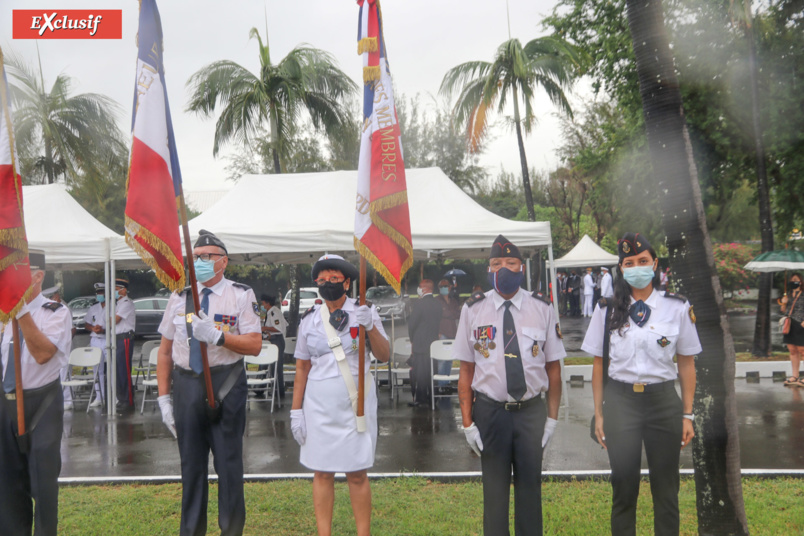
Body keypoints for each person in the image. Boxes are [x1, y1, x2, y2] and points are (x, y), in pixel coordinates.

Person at [582, 232, 700, 536]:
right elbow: (598, 364)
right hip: (621, 404)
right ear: (622, 268)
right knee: (623, 490)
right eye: (630, 262)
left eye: (643, 261)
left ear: (655, 263)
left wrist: (687, 414)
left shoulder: (676, 307)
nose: (637, 267)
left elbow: (686, 363)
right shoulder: (606, 309)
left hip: (664, 405)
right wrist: (599, 412)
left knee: (666, 492)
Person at [454, 235, 565, 536]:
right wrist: (468, 423)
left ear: (521, 267)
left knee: (531, 493)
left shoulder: (541, 307)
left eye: (511, 262)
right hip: (490, 413)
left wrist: (552, 420)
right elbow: (466, 369)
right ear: (489, 269)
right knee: (494, 496)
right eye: (496, 263)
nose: (503, 268)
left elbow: (553, 369)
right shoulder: (473, 310)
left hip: (531, 413)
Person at [156, 230, 262, 536]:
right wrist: (164, 399)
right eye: (196, 257)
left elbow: (255, 344)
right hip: (187, 385)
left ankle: (231, 531)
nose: (200, 261)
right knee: (191, 466)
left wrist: (219, 336)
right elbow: (165, 351)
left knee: (229, 466)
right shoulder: (179, 298)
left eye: (208, 256)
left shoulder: (241, 295)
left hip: (225, 383)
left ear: (224, 261)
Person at [290, 254, 389, 536]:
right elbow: (301, 368)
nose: (328, 283)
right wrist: (296, 411)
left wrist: (369, 326)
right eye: (322, 280)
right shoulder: (310, 320)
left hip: (354, 405)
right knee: (322, 472)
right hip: (319, 407)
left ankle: (363, 533)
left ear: (347, 282)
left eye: (334, 278)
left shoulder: (364, 311)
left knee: (356, 473)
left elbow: (384, 355)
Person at [0, 251, 72, 536]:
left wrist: (21, 312)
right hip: (6, 404)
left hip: (41, 403)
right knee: (6, 485)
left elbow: (43, 354)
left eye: (14, 273)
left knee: (43, 484)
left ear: (38, 276)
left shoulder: (55, 313)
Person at [407, 279, 443, 406]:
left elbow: (412, 324)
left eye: (420, 287)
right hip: (433, 342)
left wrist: (412, 339)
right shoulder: (438, 304)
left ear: (426, 288)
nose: (418, 289)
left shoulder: (419, 304)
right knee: (432, 371)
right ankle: (433, 397)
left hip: (420, 342)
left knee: (421, 373)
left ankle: (421, 399)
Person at [44, 285, 75, 410]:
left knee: (64, 372)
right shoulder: (49, 307)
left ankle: (67, 400)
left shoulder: (63, 308)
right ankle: (57, 400)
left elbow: (72, 329)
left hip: (63, 346)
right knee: (54, 373)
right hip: (51, 346)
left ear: (56, 297)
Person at [84, 283, 108, 408]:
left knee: (111, 369)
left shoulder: (113, 307)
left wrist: (103, 330)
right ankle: (99, 397)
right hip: (95, 340)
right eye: (98, 293)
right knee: (97, 370)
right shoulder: (93, 308)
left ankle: (113, 396)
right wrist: (93, 328)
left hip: (107, 340)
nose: (99, 295)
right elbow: (86, 324)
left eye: (101, 293)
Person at [113, 277, 136, 409]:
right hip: (117, 338)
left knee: (124, 370)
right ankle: (121, 398)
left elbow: (114, 320)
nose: (114, 292)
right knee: (118, 370)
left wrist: (110, 319)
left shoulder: (127, 303)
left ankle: (128, 400)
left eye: (116, 289)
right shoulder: (117, 303)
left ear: (124, 290)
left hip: (125, 338)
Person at [436, 279, 461, 393]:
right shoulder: (436, 300)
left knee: (449, 359)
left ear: (450, 287)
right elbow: (438, 315)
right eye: (441, 286)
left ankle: (447, 383)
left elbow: (457, 314)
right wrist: (449, 314)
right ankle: (441, 385)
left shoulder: (454, 301)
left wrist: (447, 313)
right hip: (442, 333)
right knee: (442, 360)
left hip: (452, 332)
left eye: (445, 286)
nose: (444, 288)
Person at [260, 294, 288, 399]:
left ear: (267, 303)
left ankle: (279, 392)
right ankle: (275, 390)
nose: (262, 305)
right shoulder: (272, 311)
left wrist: (265, 328)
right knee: (272, 367)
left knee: (277, 368)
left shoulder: (273, 312)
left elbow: (279, 328)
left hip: (277, 341)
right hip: (273, 339)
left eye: (263, 303)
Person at [780, 272, 804, 387]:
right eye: (791, 280)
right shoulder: (788, 294)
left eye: (795, 279)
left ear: (800, 281)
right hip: (789, 324)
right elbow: (784, 310)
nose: (793, 282)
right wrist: (783, 304)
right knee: (792, 350)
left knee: (802, 350)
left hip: (801, 324)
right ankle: (795, 376)